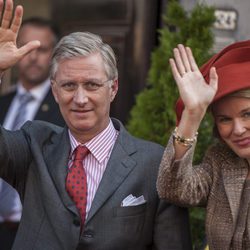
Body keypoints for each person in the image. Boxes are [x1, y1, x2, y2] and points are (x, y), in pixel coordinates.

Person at [0, 1, 192, 249]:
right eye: (69, 85)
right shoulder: (33, 144)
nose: (80, 99)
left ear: (113, 88)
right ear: (55, 91)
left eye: (92, 85)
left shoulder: (155, 163)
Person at [157, 39, 250, 249]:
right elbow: (173, 189)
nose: (238, 129)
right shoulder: (220, 161)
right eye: (225, 119)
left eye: (247, 114)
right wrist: (192, 114)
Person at [0, 16, 65, 250]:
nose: (33, 56)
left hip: (38, 235)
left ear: (55, 54)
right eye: (26, 47)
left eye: (42, 49)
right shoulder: (3, 101)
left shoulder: (67, 107)